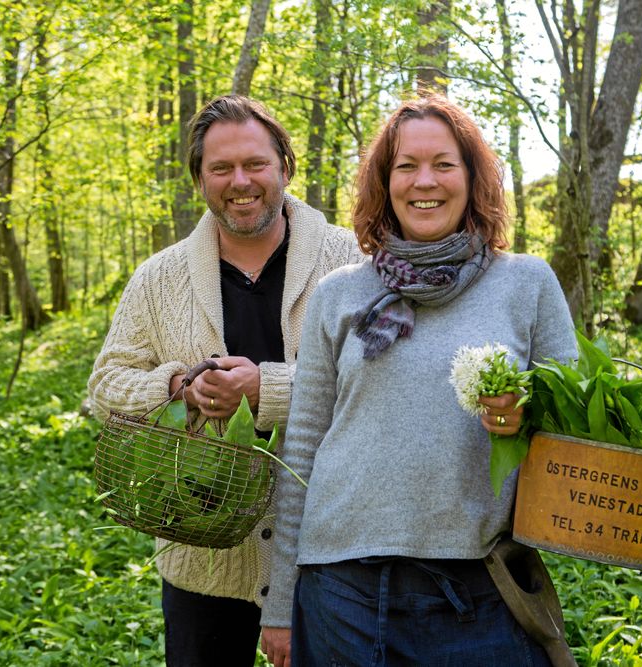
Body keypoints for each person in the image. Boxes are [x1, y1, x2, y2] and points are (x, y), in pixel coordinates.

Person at [259, 96, 578, 666]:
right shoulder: (339, 293)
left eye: (443, 164)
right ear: (385, 182)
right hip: (341, 594)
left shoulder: (526, 284)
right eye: (405, 166)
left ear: (473, 177)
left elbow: (575, 432)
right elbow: (302, 449)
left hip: (479, 592)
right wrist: (280, 604)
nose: (423, 181)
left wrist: (526, 414)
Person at [88, 94, 362, 667]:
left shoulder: (350, 260)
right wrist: (178, 387)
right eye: (221, 168)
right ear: (200, 178)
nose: (241, 181)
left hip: (329, 552)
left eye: (256, 164)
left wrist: (268, 389)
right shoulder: (158, 278)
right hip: (201, 559)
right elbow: (106, 386)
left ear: (285, 166)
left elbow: (384, 383)